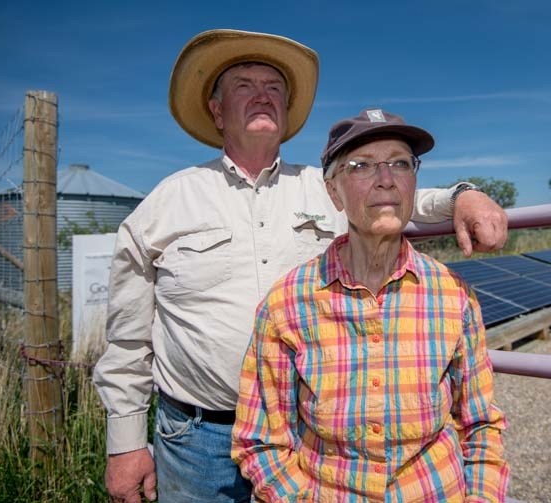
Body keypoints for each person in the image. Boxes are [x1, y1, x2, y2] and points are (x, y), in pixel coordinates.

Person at [93, 29, 509, 503]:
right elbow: (127, 337)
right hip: (197, 437)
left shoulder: (327, 186)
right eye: (244, 86)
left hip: (308, 437)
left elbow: (397, 197)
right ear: (216, 110)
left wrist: (464, 195)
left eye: (274, 88)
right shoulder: (168, 203)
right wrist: (125, 444)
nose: (262, 96)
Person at [231, 108, 510, 501]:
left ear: (414, 180)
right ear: (334, 192)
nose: (386, 180)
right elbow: (261, 443)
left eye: (400, 163)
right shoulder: (287, 305)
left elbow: (480, 426)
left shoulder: (453, 296)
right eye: (362, 166)